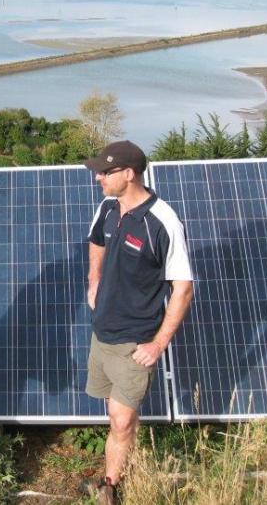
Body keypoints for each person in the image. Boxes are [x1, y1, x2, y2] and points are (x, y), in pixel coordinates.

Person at [81, 140, 194, 505]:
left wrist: (158, 343)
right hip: (102, 333)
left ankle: (110, 485)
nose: (98, 176)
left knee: (122, 419)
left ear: (129, 174)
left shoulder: (164, 222)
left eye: (105, 171)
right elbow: (96, 241)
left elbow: (183, 289)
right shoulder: (108, 208)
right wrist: (93, 279)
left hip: (135, 340)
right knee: (112, 411)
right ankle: (114, 470)